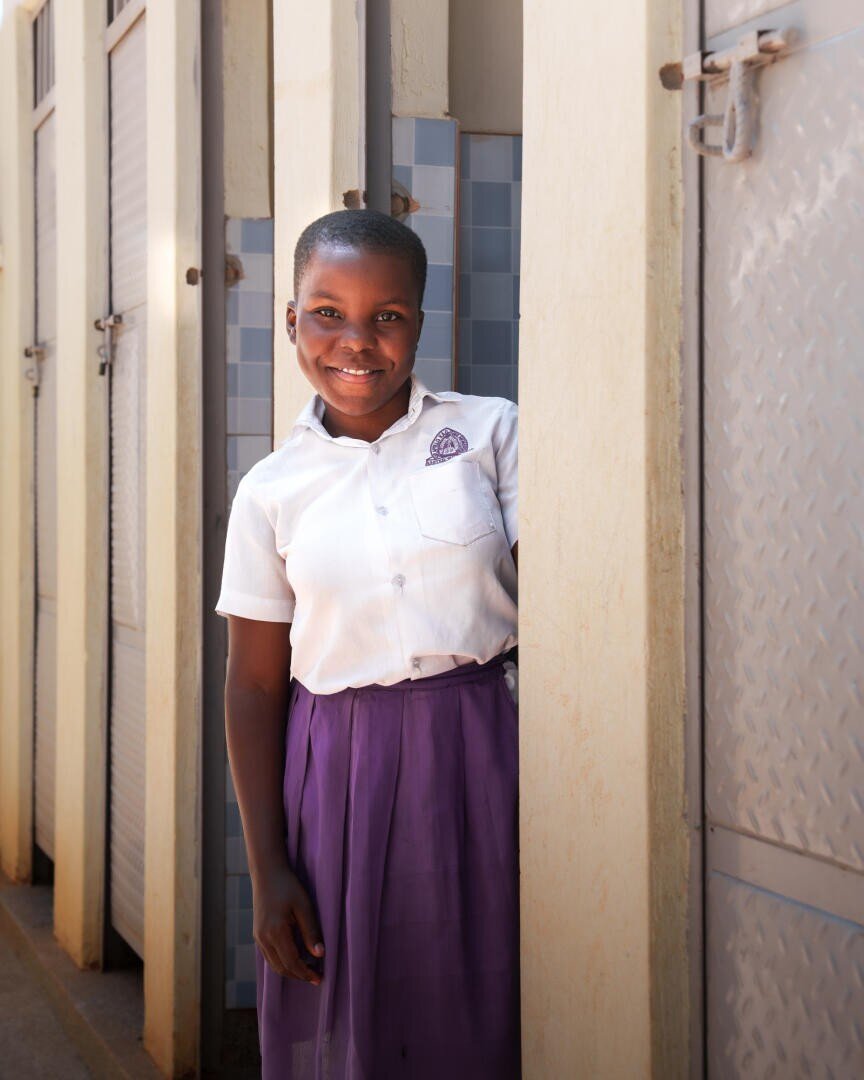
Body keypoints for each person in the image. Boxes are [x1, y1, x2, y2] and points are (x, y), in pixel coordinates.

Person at [215, 208, 520, 1079]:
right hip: (337, 770)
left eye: (387, 315)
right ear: (291, 322)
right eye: (326, 312)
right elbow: (255, 689)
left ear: (420, 324)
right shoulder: (272, 492)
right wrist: (267, 869)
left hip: (483, 749)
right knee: (349, 999)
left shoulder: (492, 433)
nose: (356, 340)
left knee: (490, 992)